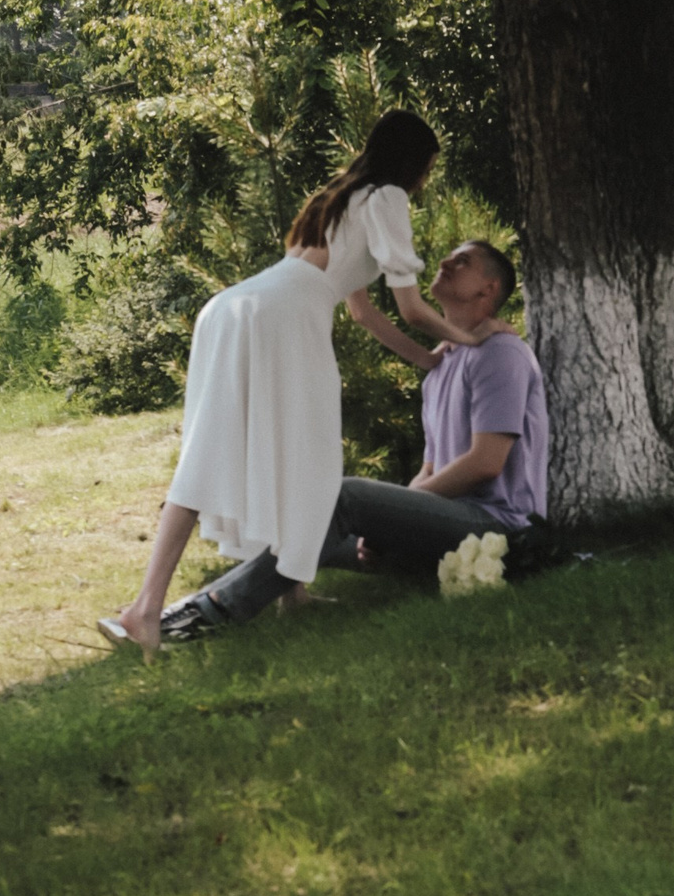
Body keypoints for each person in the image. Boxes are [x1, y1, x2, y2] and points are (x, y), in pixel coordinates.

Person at [97, 108, 473, 657]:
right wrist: (472, 339)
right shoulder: (387, 197)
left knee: (236, 454)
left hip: (236, 307)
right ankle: (145, 610)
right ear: (412, 163)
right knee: (304, 457)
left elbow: (363, 312)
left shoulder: (339, 197)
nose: (425, 180)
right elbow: (411, 307)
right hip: (284, 317)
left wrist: (429, 361)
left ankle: (286, 593)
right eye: (428, 168)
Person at [158, 236, 548, 638]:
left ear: (488, 289)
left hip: (497, 527)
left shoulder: (501, 353)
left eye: (462, 261)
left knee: (343, 499)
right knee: (307, 524)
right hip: (447, 529)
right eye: (450, 257)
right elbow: (430, 467)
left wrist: (388, 522)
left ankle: (213, 609)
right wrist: (390, 524)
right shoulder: (442, 361)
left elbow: (485, 463)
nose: (446, 263)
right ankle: (195, 609)